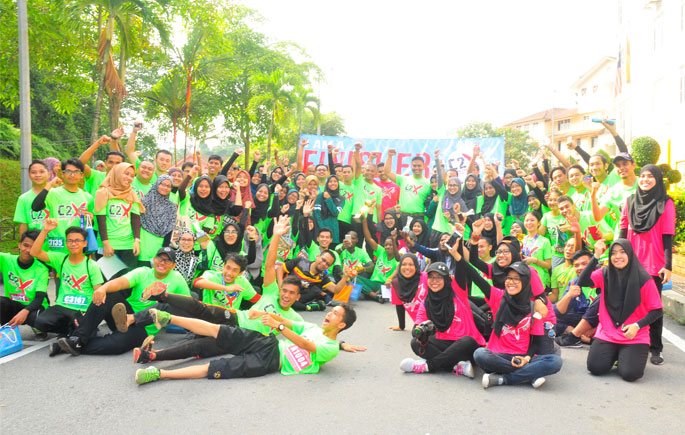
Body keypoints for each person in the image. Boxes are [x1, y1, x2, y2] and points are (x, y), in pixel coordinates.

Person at [133, 301, 357, 384]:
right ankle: (168, 318)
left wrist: (279, 327)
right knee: (217, 330)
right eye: (331, 311)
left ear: (342, 325)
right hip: (268, 343)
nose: (329, 314)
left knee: (213, 368)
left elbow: (306, 346)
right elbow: (287, 321)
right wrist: (263, 314)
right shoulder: (312, 327)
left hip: (269, 361)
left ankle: (158, 374)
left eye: (335, 314)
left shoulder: (331, 349)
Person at [56, 247, 191, 356]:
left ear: (173, 265)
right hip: (123, 315)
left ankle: (70, 345)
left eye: (167, 261)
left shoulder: (177, 279)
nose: (162, 262)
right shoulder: (143, 272)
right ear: (154, 259)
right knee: (108, 294)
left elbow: (188, 304)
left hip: (144, 327)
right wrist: (103, 288)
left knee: (116, 345)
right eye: (160, 258)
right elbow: (120, 282)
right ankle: (77, 339)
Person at [471, 262, 563, 389]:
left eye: (516, 279)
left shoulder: (535, 306)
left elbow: (535, 341)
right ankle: (530, 374)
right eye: (508, 278)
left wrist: (526, 359)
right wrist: (458, 256)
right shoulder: (498, 296)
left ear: (525, 281)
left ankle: (503, 379)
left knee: (555, 361)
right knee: (480, 354)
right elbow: (476, 277)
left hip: (523, 355)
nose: (511, 282)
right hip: (500, 355)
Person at [580, 240, 662, 382]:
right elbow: (583, 281)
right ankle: (617, 354)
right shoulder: (605, 273)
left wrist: (637, 325)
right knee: (595, 367)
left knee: (630, 374)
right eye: (613, 253)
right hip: (607, 332)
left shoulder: (644, 279)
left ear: (630, 254)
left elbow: (657, 310)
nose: (617, 256)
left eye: (622, 252)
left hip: (634, 335)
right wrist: (596, 256)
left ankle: (623, 355)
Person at [620, 164, 675, 365]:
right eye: (642, 176)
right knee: (628, 304)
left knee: (653, 307)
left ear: (658, 179)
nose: (645, 179)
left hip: (654, 263)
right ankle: (627, 340)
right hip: (631, 261)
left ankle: (656, 348)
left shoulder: (665, 203)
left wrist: (668, 265)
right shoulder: (630, 201)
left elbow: (667, 235)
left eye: (650, 176)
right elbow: (623, 230)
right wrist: (617, 257)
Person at [399, 260, 485, 378]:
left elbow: (461, 266)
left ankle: (427, 366)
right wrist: (420, 333)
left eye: (439, 277)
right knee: (415, 343)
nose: (434, 281)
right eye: (431, 277)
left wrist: (457, 254)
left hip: (465, 347)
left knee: (467, 341)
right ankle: (456, 366)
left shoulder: (459, 294)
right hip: (445, 343)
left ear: (446, 279)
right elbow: (417, 327)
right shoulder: (426, 302)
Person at [30, 221, 103, 337]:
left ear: (85, 243)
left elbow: (98, 293)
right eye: (70, 240)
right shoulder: (60, 259)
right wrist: (45, 231)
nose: (73, 244)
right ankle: (70, 330)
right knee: (40, 322)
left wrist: (89, 314)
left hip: (82, 308)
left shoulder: (91, 265)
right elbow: (34, 252)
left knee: (87, 332)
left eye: (77, 241)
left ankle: (78, 329)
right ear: (66, 243)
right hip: (62, 306)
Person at [31, 159, 93, 253]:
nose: (72, 175)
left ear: (82, 175)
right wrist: (50, 184)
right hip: (57, 246)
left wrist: (90, 220)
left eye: (76, 172)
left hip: (77, 247)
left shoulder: (87, 197)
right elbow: (36, 207)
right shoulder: (53, 193)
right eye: (68, 171)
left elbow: (90, 224)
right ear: (62, 174)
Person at [94, 162, 144, 272]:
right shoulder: (103, 193)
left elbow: (135, 219)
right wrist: (106, 244)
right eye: (126, 174)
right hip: (109, 245)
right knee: (110, 279)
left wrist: (137, 241)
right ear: (117, 173)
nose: (129, 178)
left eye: (132, 176)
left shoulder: (132, 194)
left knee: (127, 280)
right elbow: (101, 221)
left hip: (128, 245)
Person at [0, 231, 50, 337]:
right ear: (19, 245)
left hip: (34, 306)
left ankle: (38, 328)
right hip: (14, 304)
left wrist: (25, 311)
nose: (28, 250)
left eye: (32, 247)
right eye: (25, 245)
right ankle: (7, 332)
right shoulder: (6, 260)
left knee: (37, 319)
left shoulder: (41, 269)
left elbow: (39, 298)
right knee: (1, 302)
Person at [194, 252, 260, 310]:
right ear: (223, 266)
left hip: (230, 317)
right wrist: (226, 288)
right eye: (228, 268)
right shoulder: (212, 275)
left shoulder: (242, 282)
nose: (229, 273)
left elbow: (257, 299)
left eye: (235, 270)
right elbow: (197, 282)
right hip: (209, 314)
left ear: (240, 273)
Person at [553, 250, 596, 339]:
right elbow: (557, 312)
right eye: (576, 265)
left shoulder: (603, 280)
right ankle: (577, 334)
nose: (580, 268)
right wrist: (569, 295)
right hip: (580, 320)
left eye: (584, 264)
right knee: (550, 318)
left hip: (598, 321)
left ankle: (579, 336)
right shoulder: (574, 283)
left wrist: (594, 329)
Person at [138, 175, 178, 265]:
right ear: (157, 184)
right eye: (162, 184)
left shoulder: (171, 207)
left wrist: (164, 250)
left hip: (160, 246)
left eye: (168, 186)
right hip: (143, 244)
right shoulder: (144, 202)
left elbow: (169, 230)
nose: (165, 188)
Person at [359, 214, 400, 302]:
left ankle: (372, 294)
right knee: (354, 278)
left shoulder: (398, 258)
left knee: (392, 284)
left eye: (390, 245)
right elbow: (368, 238)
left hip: (385, 285)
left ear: (395, 246)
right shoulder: (381, 251)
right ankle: (374, 295)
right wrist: (364, 222)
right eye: (386, 245)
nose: (387, 247)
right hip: (373, 283)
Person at [384, 149, 431, 219]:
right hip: (403, 216)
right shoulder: (403, 179)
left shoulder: (428, 184)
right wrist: (389, 156)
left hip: (418, 217)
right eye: (414, 166)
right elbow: (387, 173)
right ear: (411, 166)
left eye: (419, 166)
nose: (416, 168)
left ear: (424, 166)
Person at [389, 254, 429, 331]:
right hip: (420, 321)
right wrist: (401, 326)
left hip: (434, 316)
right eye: (404, 264)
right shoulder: (396, 284)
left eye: (411, 265)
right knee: (417, 334)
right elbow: (399, 306)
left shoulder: (425, 276)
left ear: (416, 266)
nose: (407, 267)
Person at [14, 160, 50, 236]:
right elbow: (23, 225)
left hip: (57, 241)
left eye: (41, 172)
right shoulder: (23, 199)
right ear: (29, 175)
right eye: (33, 172)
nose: (38, 175)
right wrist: (22, 242)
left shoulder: (57, 194)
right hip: (34, 241)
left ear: (49, 174)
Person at [520, 211, 552, 291]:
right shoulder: (521, 240)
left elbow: (548, 265)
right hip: (523, 279)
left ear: (539, 223)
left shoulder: (545, 241)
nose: (529, 223)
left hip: (539, 280)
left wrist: (535, 261)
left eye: (532, 220)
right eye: (527, 220)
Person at [314, 175, 345, 243]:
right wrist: (323, 229)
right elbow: (317, 214)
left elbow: (335, 212)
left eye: (335, 181)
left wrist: (328, 199)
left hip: (333, 229)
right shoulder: (321, 195)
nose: (333, 183)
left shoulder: (341, 198)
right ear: (327, 184)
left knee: (333, 248)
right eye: (330, 181)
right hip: (321, 227)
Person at [549, 238, 579, 303]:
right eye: (567, 246)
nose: (569, 249)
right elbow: (555, 296)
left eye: (573, 247)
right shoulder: (556, 270)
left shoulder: (579, 268)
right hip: (561, 306)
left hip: (576, 305)